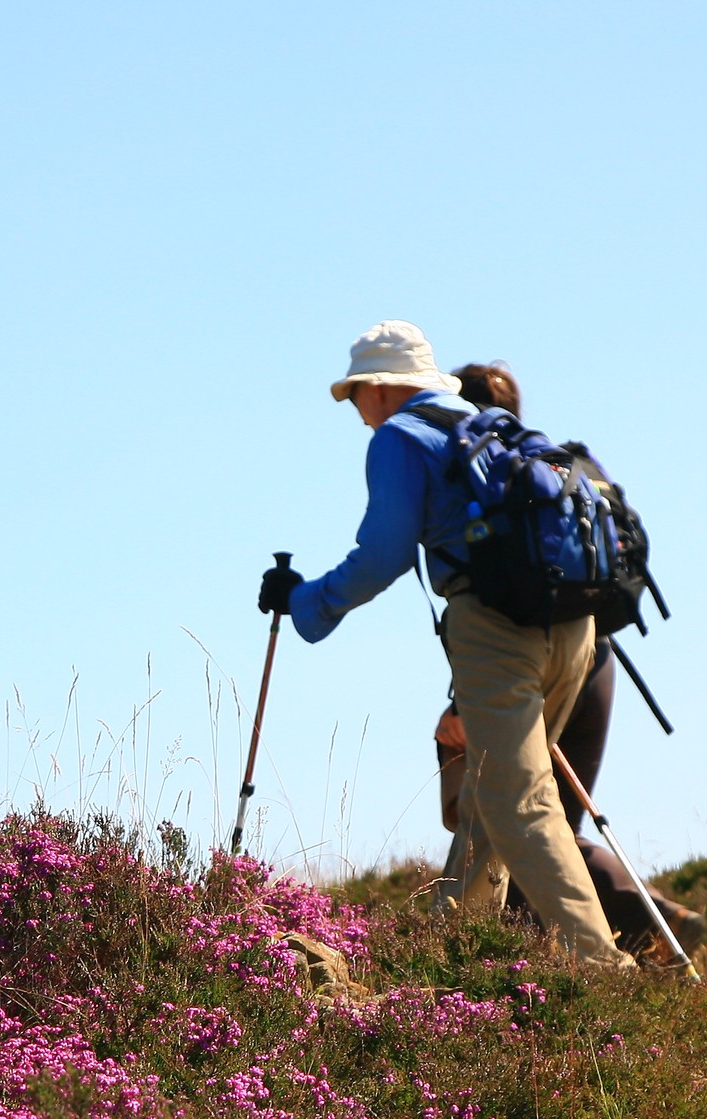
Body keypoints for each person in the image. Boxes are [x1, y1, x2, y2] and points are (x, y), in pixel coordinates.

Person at [260, 322, 629, 969]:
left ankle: (599, 967)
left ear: (379, 388)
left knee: (518, 801)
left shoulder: (401, 436)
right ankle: (456, 957)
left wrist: (306, 603)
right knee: (492, 794)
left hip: (495, 628)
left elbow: (382, 556)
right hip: (577, 627)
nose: (357, 413)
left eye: (354, 398)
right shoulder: (491, 426)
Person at [430, 360, 705, 960]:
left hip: (531, 667)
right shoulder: (554, 470)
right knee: (549, 820)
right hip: (594, 659)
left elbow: (497, 614)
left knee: (520, 814)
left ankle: (621, 940)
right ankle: (652, 921)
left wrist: (458, 705)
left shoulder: (483, 476)